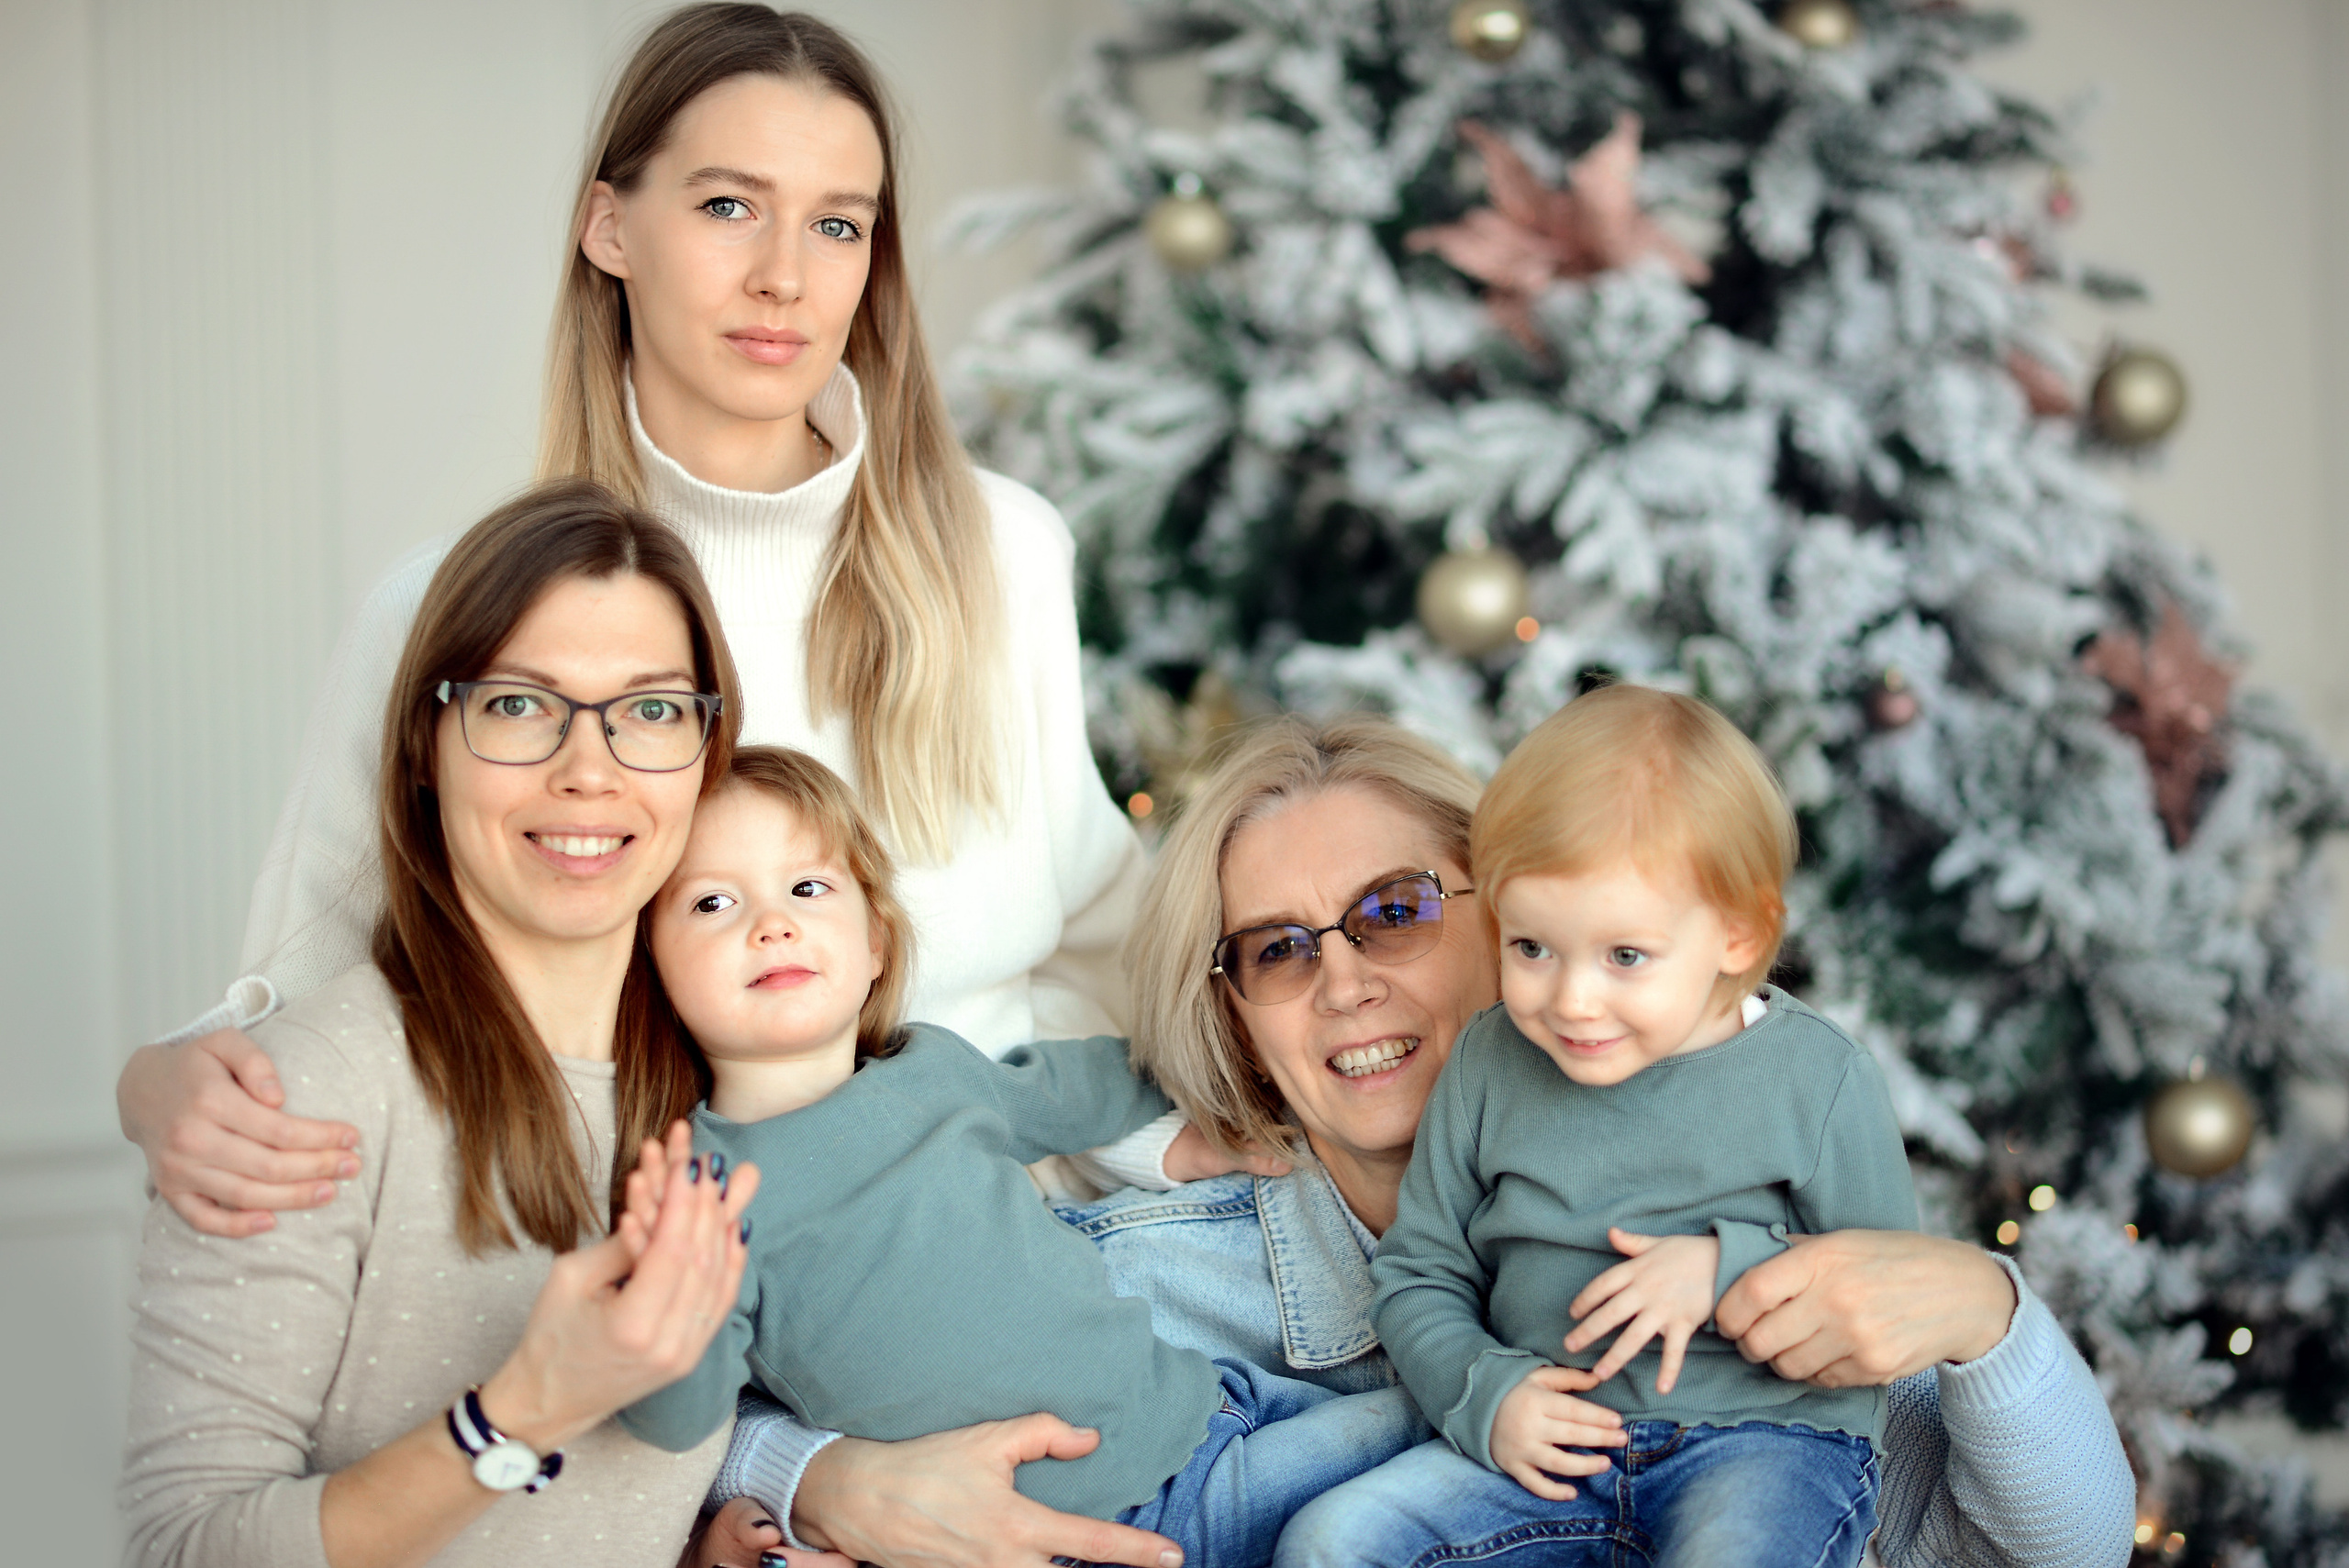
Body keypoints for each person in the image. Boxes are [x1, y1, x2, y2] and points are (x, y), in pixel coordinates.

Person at [117, 11, 1230, 1562]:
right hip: (677, 1375)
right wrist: (161, 1077)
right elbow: (298, 989)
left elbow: (1096, 943)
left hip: (1037, 1305)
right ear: (608, 225)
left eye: (837, 222)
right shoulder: (456, 609)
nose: (786, 276)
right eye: (727, 204)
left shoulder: (1001, 554)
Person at [1036, 714, 2134, 1568]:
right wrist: (854, 1481)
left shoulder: (1749, 1156)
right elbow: (910, 1366)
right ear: (1236, 1011)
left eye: (1398, 908)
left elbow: (2053, 1548)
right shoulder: (1155, 1276)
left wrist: (1987, 1313)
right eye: (1278, 949)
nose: (1346, 980)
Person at [119, 482, 762, 1568]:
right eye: (518, 704)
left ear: (707, 750)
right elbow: (183, 1547)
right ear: (426, 742)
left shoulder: (731, 1078)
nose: (588, 770)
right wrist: (521, 1411)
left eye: (650, 709)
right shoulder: (303, 1094)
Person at [616, 745, 1424, 1567]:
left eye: (808, 887)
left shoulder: (933, 1070)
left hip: (1199, 1433)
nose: (771, 922)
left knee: (1429, 1426)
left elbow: (1078, 1088)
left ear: (876, 947)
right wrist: (667, 1307)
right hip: (999, 1540)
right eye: (713, 901)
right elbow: (680, 1425)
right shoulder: (698, 1191)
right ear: (650, 969)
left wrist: (1179, 1140)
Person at [1296, 685, 1913, 1566]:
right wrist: (1489, 1392)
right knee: (1336, 1537)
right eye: (1532, 947)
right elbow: (1417, 1274)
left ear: (1738, 934)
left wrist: (1726, 1270)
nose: (1572, 999)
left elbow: (1891, 1296)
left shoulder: (1816, 1079)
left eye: (1625, 956)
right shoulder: (1489, 1061)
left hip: (1764, 1446)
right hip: (1546, 1456)